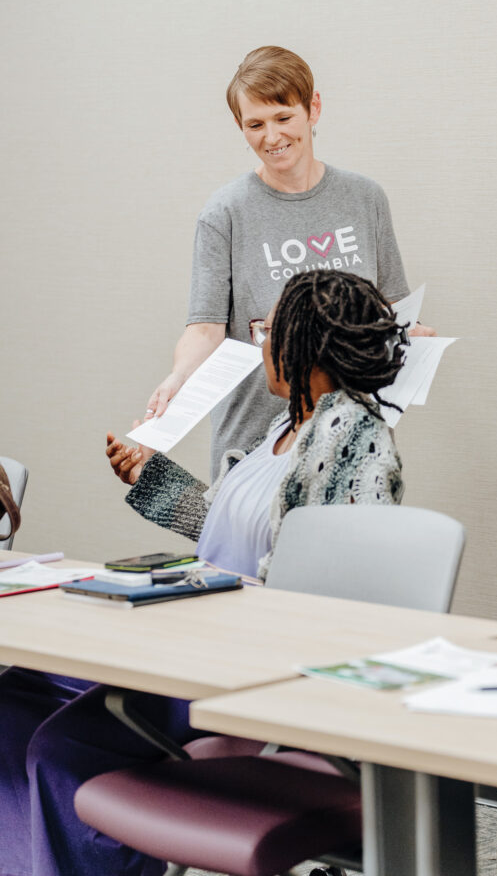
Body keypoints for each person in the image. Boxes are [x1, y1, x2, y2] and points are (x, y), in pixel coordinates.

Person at [0, 270, 406, 876]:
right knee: (13, 702)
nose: (261, 343)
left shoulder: (348, 435)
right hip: (197, 643)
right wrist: (154, 479)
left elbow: (310, 594)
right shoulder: (288, 426)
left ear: (304, 344)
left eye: (269, 329)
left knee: (62, 748)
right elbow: (229, 531)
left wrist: (183, 605)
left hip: (238, 667)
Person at [145, 45, 433, 475]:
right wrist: (177, 378)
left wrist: (412, 334)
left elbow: (390, 306)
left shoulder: (364, 198)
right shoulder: (225, 212)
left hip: (354, 438)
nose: (272, 137)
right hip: (255, 444)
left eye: (284, 118)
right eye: (255, 124)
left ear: (313, 108)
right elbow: (205, 328)